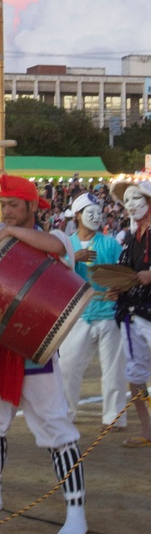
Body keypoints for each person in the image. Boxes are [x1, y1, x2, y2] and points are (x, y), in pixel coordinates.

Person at [0, 144, 87, 534]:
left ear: (31, 208)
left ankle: (76, 511)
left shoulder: (55, 234)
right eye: (3, 205)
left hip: (37, 351)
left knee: (57, 429)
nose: (5, 211)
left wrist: (10, 232)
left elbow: (59, 249)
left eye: (13, 206)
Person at [57, 192, 128, 432]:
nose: (96, 215)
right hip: (77, 313)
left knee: (113, 369)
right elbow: (53, 272)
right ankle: (66, 411)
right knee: (68, 366)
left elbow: (124, 274)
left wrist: (118, 288)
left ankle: (114, 416)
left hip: (108, 312)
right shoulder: (65, 243)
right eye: (90, 211)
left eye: (98, 211)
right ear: (77, 215)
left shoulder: (110, 243)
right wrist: (73, 257)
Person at [109, 179, 151, 446]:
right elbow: (126, 274)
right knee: (135, 376)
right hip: (132, 313)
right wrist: (117, 290)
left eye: (137, 198)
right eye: (127, 200)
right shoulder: (129, 237)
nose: (131, 204)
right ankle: (147, 429)